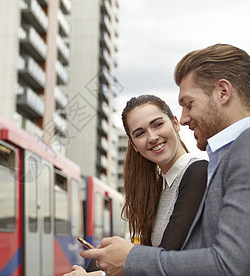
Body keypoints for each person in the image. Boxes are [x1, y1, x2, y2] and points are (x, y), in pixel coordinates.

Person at [79, 43, 250, 276]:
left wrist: (129, 259)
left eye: (189, 104)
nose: (184, 118)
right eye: (139, 133)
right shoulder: (234, 153)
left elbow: (230, 266)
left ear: (223, 92)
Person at [65, 95, 207, 276]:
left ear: (175, 123)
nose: (152, 137)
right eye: (140, 133)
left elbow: (166, 259)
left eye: (158, 124)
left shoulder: (197, 172)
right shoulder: (161, 185)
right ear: (134, 146)